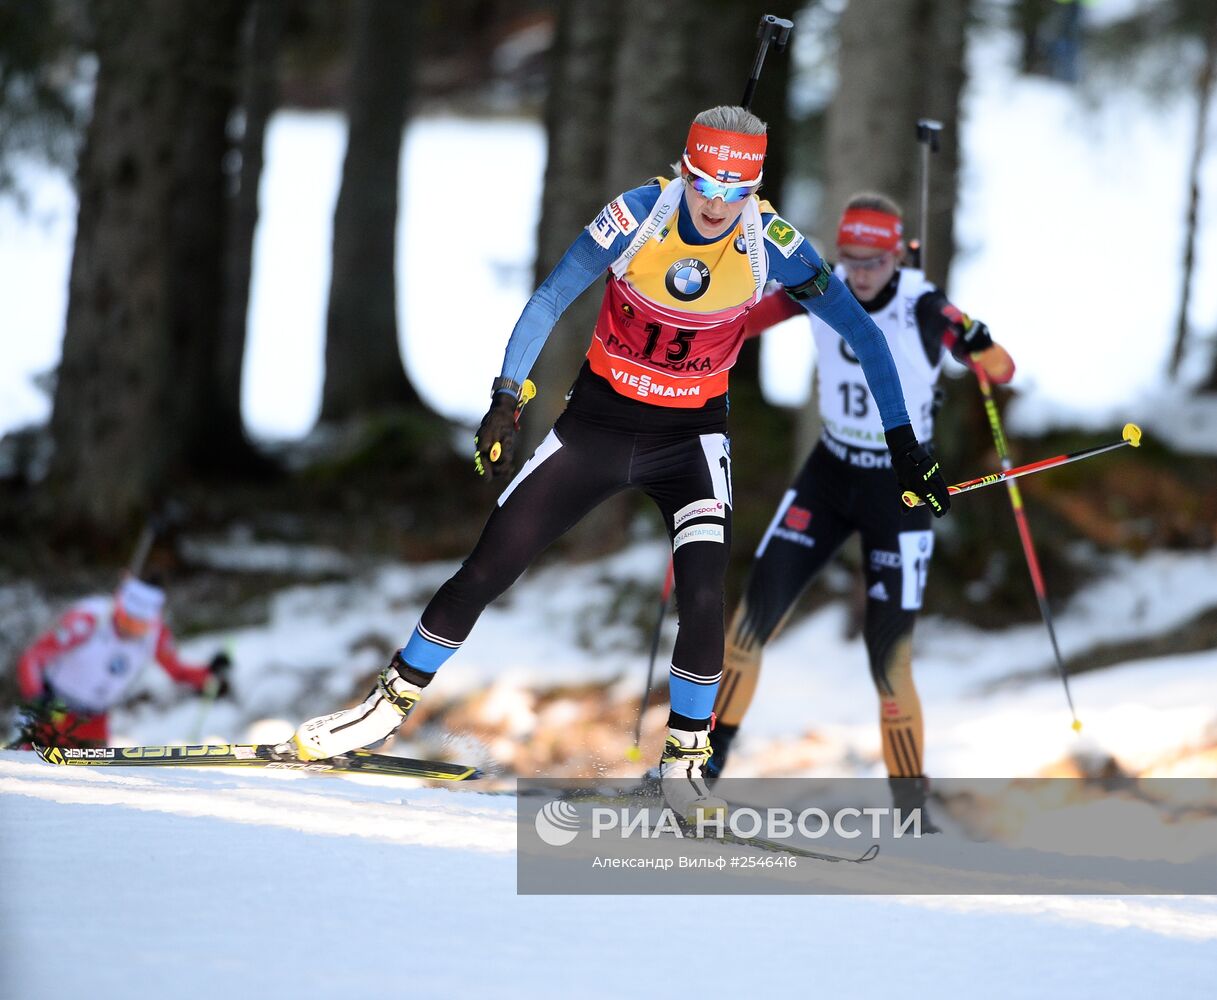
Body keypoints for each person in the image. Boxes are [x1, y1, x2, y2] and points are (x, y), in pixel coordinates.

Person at [290, 108, 951, 823]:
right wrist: (506, 398)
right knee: (490, 564)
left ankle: (685, 765)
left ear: (754, 189)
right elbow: (549, 299)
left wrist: (905, 448)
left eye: (736, 190)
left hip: (691, 441)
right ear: (684, 170)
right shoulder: (634, 216)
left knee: (703, 591)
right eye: (705, 184)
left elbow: (864, 335)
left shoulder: (776, 245)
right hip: (598, 425)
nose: (716, 203)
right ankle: (383, 710)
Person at [705, 191, 1014, 822]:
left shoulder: (923, 305)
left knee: (890, 658)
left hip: (898, 488)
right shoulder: (822, 285)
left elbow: (1001, 368)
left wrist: (978, 344)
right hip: (830, 471)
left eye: (873, 261)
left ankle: (911, 809)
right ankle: (702, 768)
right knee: (749, 624)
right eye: (850, 258)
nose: (860, 272)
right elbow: (745, 321)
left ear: (897, 254)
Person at [15, 575, 231, 747]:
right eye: (127, 620)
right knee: (34, 777)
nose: (131, 630)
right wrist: (37, 696)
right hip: (56, 711)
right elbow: (33, 657)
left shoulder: (155, 633)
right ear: (118, 608)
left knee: (89, 784)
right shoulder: (88, 620)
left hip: (95, 720)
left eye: (140, 625)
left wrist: (209, 674)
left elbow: (175, 669)